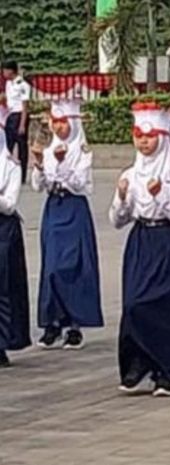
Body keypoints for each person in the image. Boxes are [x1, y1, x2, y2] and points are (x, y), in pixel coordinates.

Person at [109, 101, 170, 397]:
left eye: (150, 136)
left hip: (168, 241)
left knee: (166, 305)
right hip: (141, 240)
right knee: (134, 303)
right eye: (139, 136)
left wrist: (161, 199)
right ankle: (137, 362)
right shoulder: (131, 174)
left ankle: (165, 372)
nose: (144, 142)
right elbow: (117, 220)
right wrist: (121, 198)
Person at [31, 99, 103, 349]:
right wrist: (40, 163)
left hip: (74, 207)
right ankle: (53, 322)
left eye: (64, 122)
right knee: (51, 266)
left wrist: (60, 164)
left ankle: (75, 324)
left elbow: (78, 183)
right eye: (56, 122)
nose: (59, 127)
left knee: (73, 264)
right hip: (54, 207)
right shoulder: (50, 149)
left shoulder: (82, 151)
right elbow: (38, 185)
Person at [0, 101, 30, 368]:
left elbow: (9, 204)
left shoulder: (9, 166)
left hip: (3, 228)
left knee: (3, 285)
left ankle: (3, 342)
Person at [2, 61, 30, 184]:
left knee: (22, 147)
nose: (3, 73)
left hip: (19, 116)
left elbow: (25, 106)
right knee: (8, 147)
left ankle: (22, 176)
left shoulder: (23, 85)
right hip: (10, 116)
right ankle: (6, 174)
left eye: (4, 70)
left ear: (11, 71)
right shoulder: (8, 83)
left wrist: (22, 124)